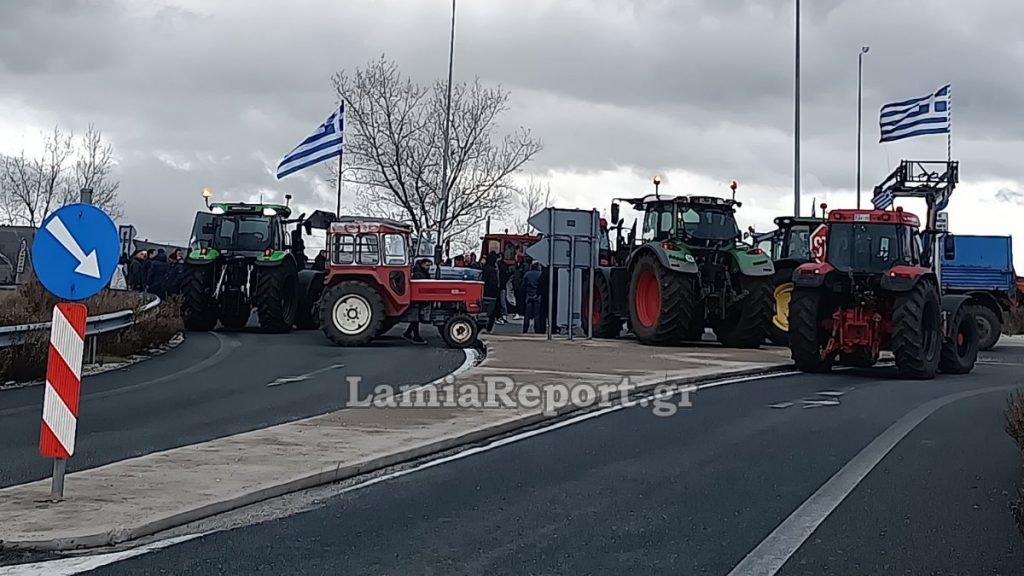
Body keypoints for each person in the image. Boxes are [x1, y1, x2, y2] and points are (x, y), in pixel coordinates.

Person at [402, 259, 432, 344]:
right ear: (422, 264)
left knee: (415, 318)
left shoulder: (418, 271)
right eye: (427, 265)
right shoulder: (419, 274)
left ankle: (409, 333)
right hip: (416, 299)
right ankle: (415, 335)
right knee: (415, 318)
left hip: (416, 299)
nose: (428, 267)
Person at [483, 252, 503, 332]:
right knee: (491, 313)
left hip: (484, 293)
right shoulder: (493, 270)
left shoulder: (484, 268)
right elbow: (493, 283)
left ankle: (484, 327)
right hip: (492, 295)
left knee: (484, 311)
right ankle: (488, 328)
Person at [522, 261, 543, 334]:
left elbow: (523, 285)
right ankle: (537, 330)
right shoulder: (540, 274)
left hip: (529, 295)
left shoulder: (527, 274)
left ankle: (525, 330)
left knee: (527, 315)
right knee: (537, 315)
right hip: (537, 296)